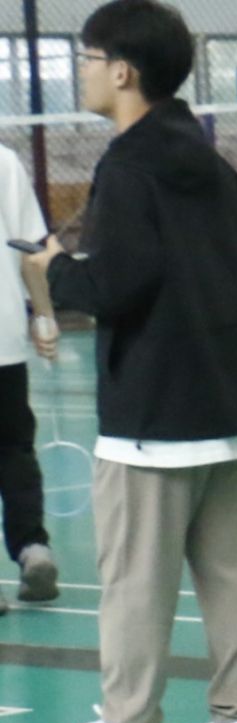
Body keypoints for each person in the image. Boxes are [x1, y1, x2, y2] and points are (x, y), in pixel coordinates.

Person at [26, 0, 237, 723]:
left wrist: (54, 270)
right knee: (234, 573)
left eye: (88, 58)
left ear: (123, 72)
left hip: (154, 413)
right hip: (233, 403)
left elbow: (116, 286)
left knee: (134, 576)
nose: (82, 72)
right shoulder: (212, 164)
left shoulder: (129, 167)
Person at [0, 137, 59, 615]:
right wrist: (44, 316)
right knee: (14, 448)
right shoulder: (3, 160)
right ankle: (33, 548)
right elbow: (29, 251)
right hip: (3, 337)